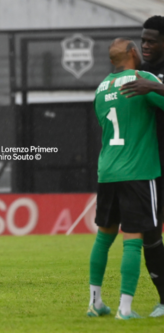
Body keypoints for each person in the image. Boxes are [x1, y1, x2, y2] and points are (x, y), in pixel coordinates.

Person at [86, 38, 164, 320]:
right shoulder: (143, 80)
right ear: (132, 53)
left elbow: (105, 123)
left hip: (108, 171)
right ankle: (125, 309)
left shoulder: (101, 88)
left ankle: (95, 302)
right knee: (133, 238)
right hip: (138, 171)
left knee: (103, 237)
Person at [119, 15, 164, 318]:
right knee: (150, 232)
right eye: (143, 39)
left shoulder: (149, 78)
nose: (145, 45)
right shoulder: (142, 73)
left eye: (152, 40)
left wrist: (154, 87)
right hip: (152, 165)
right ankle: (163, 300)